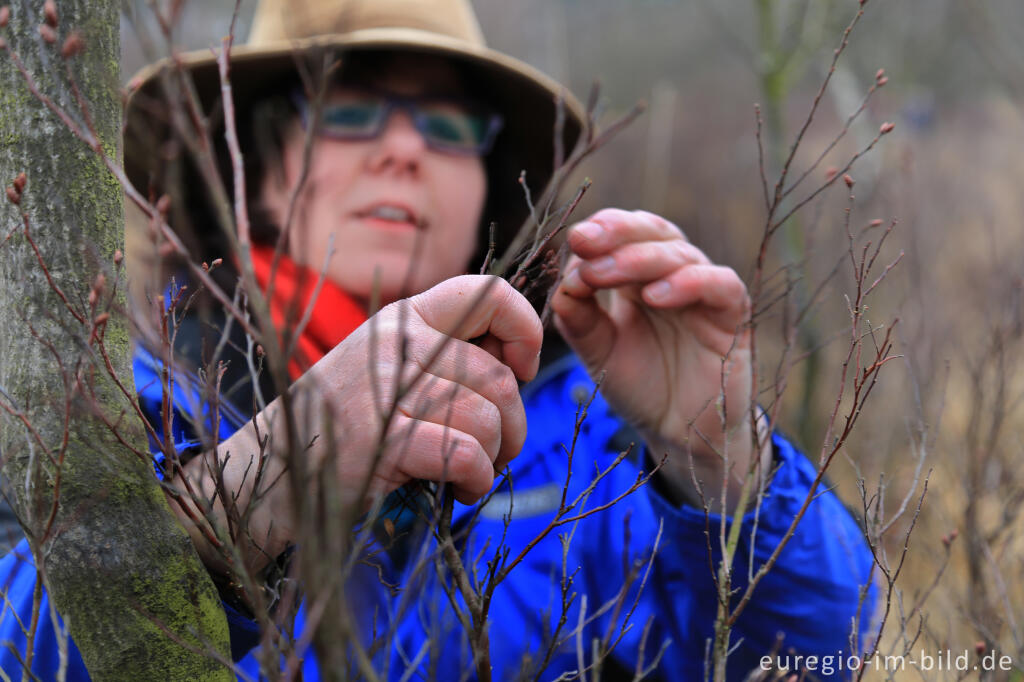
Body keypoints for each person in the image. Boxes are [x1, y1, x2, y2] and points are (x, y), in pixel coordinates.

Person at [0, 0, 876, 679]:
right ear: (255, 168)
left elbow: (822, 654)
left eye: (449, 127)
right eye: (346, 111)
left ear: (487, 185)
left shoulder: (594, 436)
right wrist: (261, 483)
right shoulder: (116, 412)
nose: (405, 151)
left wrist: (720, 463)